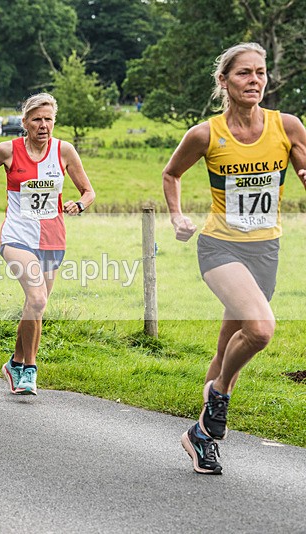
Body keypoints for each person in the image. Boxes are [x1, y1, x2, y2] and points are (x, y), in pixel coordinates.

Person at [163, 42, 306, 475]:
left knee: (229, 345)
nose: (255, 80)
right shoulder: (206, 134)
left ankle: (201, 436)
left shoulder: (288, 126)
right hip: (220, 247)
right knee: (260, 330)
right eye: (245, 73)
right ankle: (220, 393)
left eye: (260, 72)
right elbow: (171, 174)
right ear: (224, 81)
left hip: (266, 250)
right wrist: (177, 216)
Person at [0, 92, 95, 396]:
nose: (43, 125)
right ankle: (30, 369)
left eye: (48, 119)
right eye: (37, 119)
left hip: (53, 238)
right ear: (24, 122)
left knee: (35, 305)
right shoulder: (7, 150)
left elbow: (89, 191)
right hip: (17, 237)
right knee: (37, 299)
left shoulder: (64, 151)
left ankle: (14, 362)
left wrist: (80, 204)